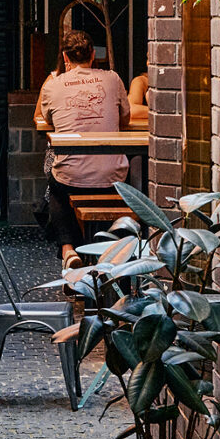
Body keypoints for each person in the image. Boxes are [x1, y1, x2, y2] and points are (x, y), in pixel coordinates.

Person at [35, 27, 131, 269]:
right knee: (111, 177)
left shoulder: (53, 84)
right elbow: (125, 119)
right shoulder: (113, 78)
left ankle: (68, 249)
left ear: (65, 57)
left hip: (72, 177)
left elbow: (47, 119)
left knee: (56, 182)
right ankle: (113, 250)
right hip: (113, 176)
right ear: (93, 55)